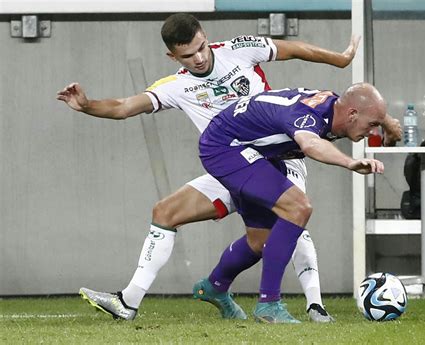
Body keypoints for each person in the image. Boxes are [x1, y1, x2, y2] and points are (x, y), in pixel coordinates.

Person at [56, 13, 401, 322]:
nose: (200, 57)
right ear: (172, 57)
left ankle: (306, 304)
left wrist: (339, 60)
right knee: (167, 212)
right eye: (188, 55)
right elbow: (123, 107)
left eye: (202, 47)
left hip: (280, 156)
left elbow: (294, 49)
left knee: (274, 229)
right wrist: (87, 105)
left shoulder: (238, 49)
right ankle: (128, 302)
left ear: (206, 37)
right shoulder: (176, 86)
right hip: (231, 159)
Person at [198, 83, 386, 323]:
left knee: (260, 240)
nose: (373, 131)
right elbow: (310, 144)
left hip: (256, 151)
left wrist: (387, 123)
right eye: (372, 125)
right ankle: (269, 305)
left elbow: (366, 106)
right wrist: (349, 162)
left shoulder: (340, 106)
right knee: (298, 207)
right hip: (226, 148)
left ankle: (214, 285)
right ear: (352, 114)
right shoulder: (307, 116)